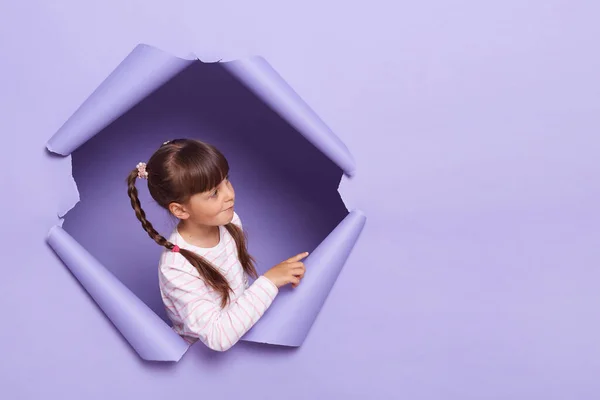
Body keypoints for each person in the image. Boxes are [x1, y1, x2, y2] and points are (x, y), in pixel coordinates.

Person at [126, 138, 308, 351]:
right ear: (181, 210)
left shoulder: (230, 222)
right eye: (214, 193)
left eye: (227, 181)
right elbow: (217, 338)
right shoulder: (176, 267)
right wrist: (269, 282)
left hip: (243, 333)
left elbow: (236, 293)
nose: (230, 195)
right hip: (201, 359)